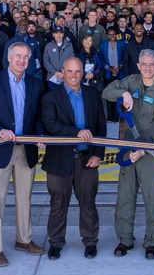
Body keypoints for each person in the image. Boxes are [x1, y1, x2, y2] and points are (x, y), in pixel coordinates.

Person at [0, 42, 45, 267]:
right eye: (18, 56)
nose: (21, 61)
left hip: (27, 149)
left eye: (25, 57)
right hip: (0, 149)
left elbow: (40, 115)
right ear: (8, 57)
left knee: (25, 197)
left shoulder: (36, 84)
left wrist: (41, 134)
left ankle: (23, 239)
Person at [102, 49, 154, 259]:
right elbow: (107, 91)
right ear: (138, 65)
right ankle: (125, 240)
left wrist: (141, 148)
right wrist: (123, 93)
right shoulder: (130, 82)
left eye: (152, 64)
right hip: (127, 149)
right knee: (124, 198)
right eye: (144, 64)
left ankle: (151, 242)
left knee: (152, 199)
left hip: (150, 153)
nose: (148, 68)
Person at [40, 58, 106, 260]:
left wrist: (98, 154)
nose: (74, 75)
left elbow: (100, 126)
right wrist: (76, 132)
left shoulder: (93, 95)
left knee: (88, 203)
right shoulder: (50, 98)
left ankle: (90, 242)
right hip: (59, 159)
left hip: (86, 159)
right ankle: (56, 243)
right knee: (58, 204)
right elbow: (51, 125)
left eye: (78, 71)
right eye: (70, 71)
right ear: (63, 72)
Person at [42, 26, 75, 91]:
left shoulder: (69, 45)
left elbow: (72, 60)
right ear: (53, 35)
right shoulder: (48, 46)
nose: (58, 35)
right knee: (53, 97)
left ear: (63, 34)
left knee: (66, 97)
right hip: (52, 77)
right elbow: (45, 61)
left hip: (66, 76)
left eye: (60, 33)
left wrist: (64, 73)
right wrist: (54, 72)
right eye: (56, 33)